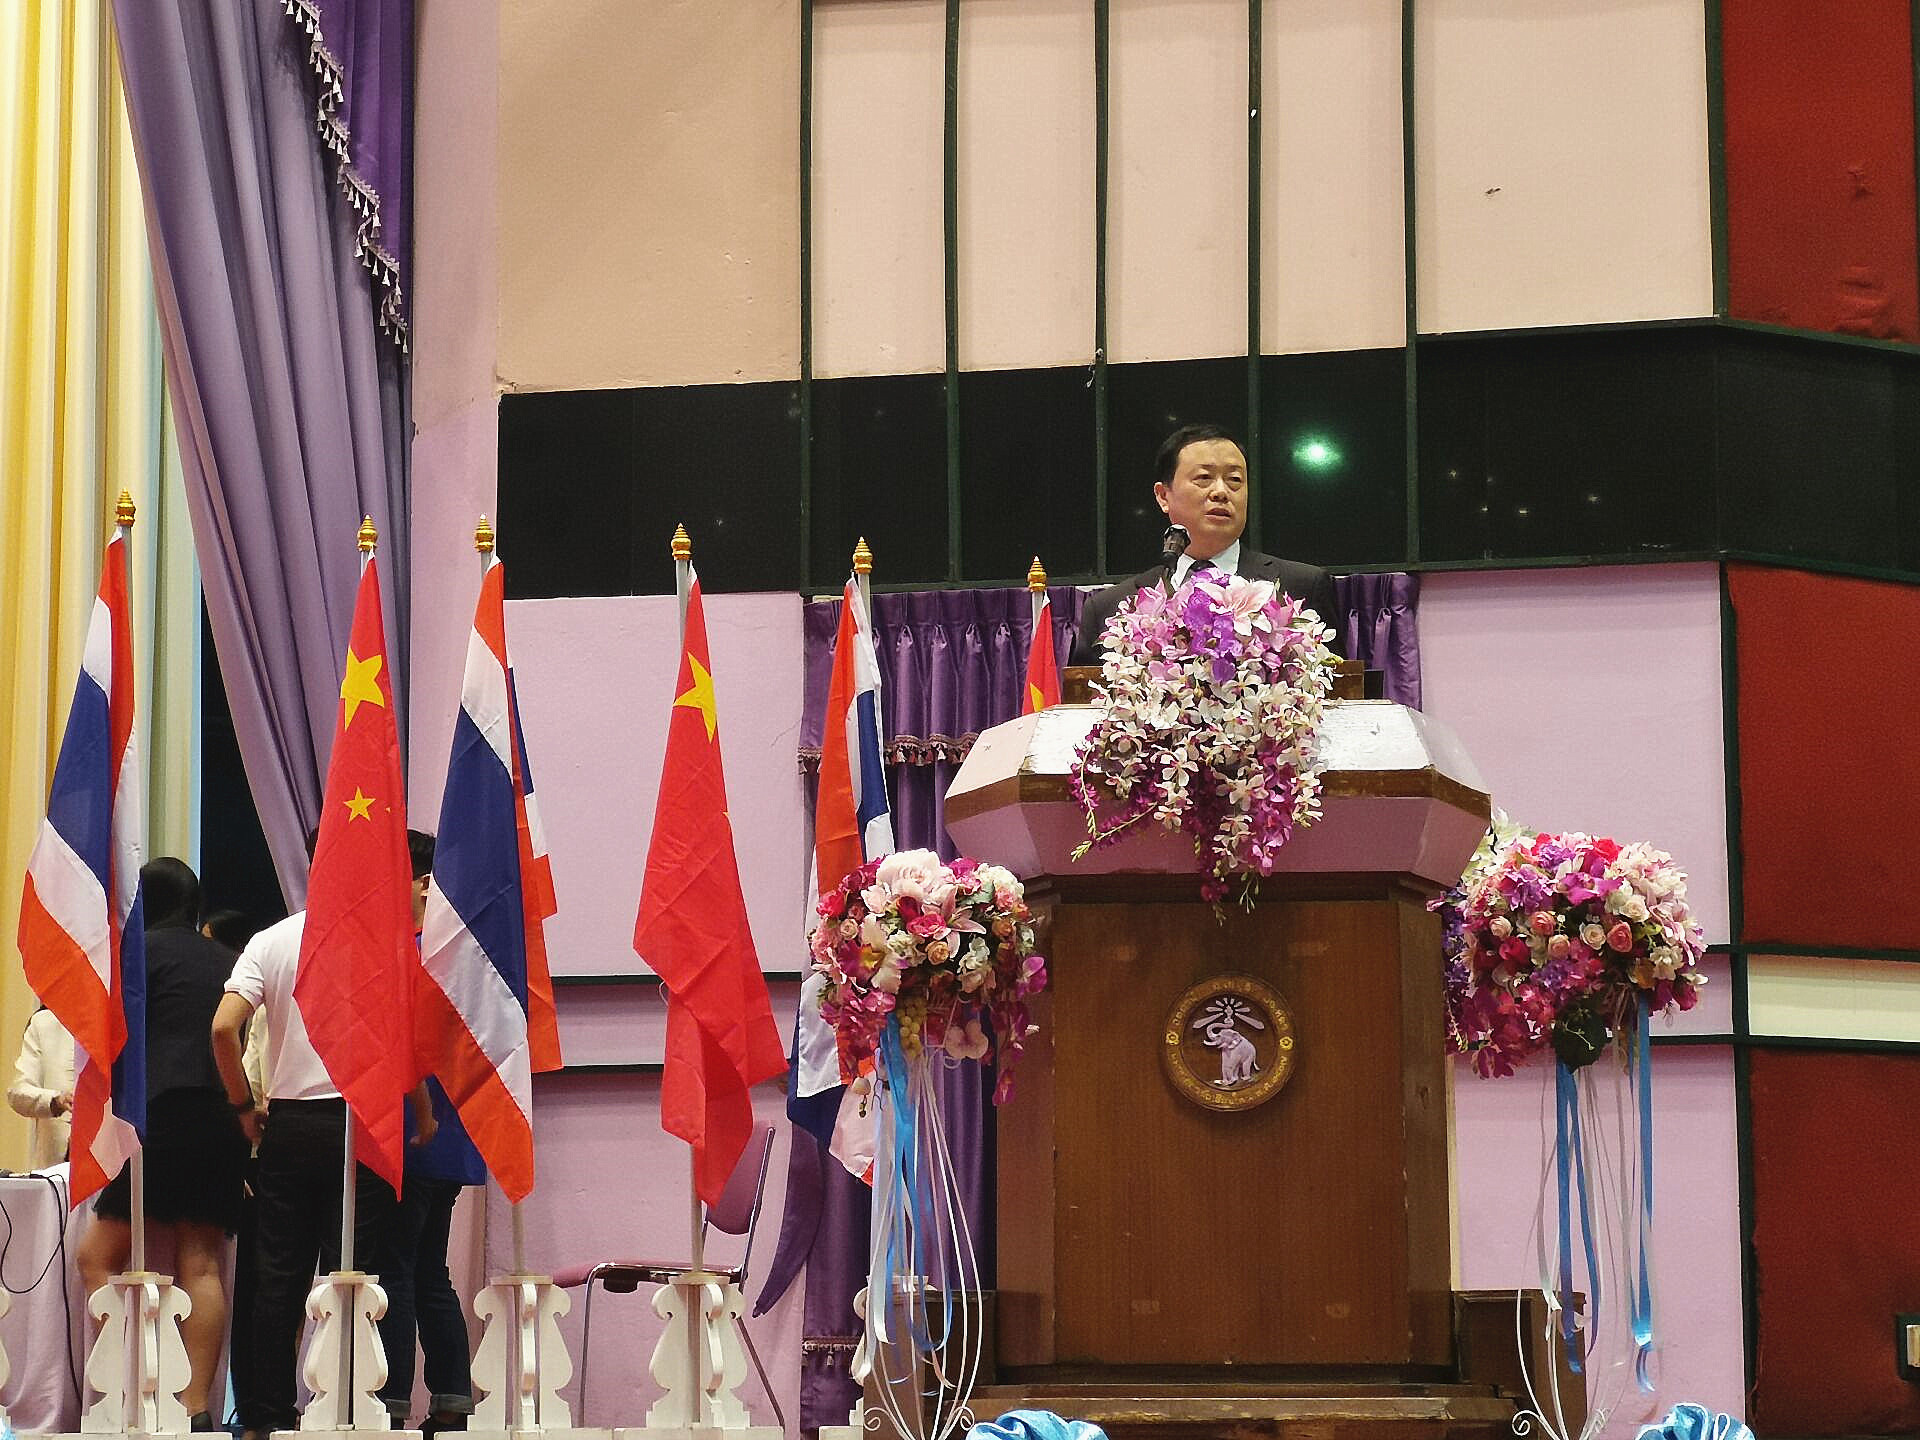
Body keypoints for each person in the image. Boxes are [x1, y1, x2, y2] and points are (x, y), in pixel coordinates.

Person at [211, 831, 437, 1440]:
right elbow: (406, 1042)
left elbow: (223, 1028)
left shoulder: (270, 940)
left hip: (288, 1124)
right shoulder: (384, 940)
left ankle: (265, 1417)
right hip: (362, 1124)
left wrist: (242, 1106)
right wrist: (423, 1115)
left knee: (277, 1279)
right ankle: (345, 1411)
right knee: (353, 1277)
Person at [75, 856, 248, 1432]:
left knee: (97, 1257)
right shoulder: (228, 960)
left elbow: (113, 1040)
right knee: (201, 1261)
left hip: (158, 1115)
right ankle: (196, 1407)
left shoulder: (137, 955)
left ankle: (133, 1385)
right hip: (223, 1116)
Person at [1068, 423, 1345, 666]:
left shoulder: (1301, 587)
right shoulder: (1111, 608)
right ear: (1163, 496)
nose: (1221, 492)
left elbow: (1339, 690)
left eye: (1234, 480)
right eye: (1204, 478)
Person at [375, 1077, 483, 1437]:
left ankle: (390, 1402)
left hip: (410, 1135)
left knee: (394, 1273)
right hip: (450, 1139)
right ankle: (452, 1400)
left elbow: (407, 1064)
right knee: (431, 1274)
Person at [8, 1004, 76, 1170]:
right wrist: (55, 1100)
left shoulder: (123, 1020)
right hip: (57, 1166)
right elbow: (17, 1092)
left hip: (113, 1162)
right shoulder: (44, 1023)